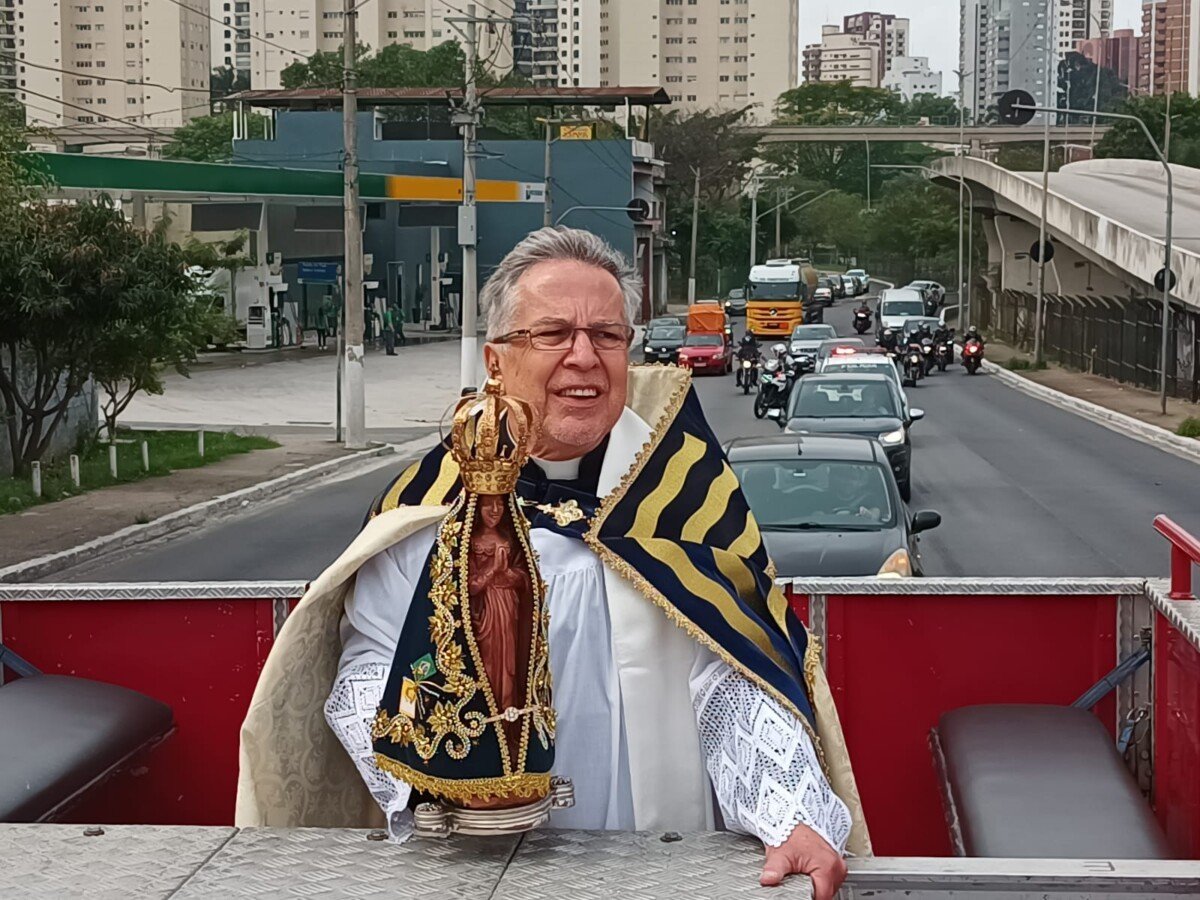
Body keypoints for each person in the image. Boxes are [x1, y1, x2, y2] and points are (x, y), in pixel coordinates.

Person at [234, 228, 869, 899]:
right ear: (496, 360)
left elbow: (738, 674)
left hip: (657, 861)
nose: (584, 357)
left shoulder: (685, 496)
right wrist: (437, 779)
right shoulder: (425, 508)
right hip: (472, 861)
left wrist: (789, 813)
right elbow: (371, 666)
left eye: (607, 335)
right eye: (553, 333)